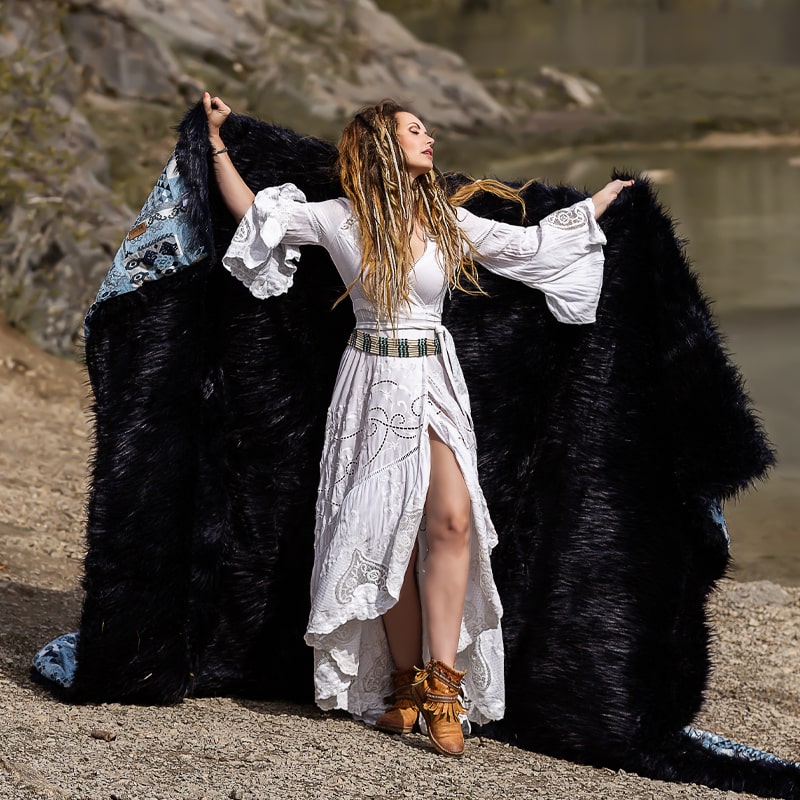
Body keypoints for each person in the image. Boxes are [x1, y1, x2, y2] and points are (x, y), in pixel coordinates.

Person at [203, 91, 633, 758]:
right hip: (371, 382)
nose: (429, 137)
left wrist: (606, 200)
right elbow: (253, 213)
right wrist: (216, 143)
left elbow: (535, 247)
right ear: (382, 145)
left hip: (433, 378)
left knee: (452, 522)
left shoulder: (446, 222)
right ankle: (404, 687)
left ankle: (444, 687)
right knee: (388, 538)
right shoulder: (341, 220)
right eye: (415, 130)